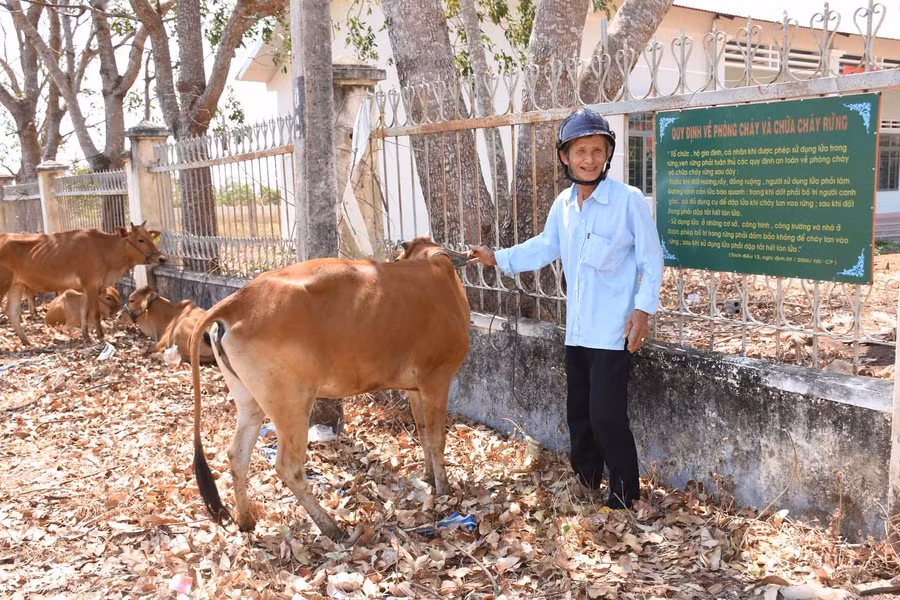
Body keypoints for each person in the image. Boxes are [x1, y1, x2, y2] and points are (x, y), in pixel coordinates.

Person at [467, 107, 663, 509]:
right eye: (580, 151)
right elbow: (543, 247)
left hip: (613, 332)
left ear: (607, 154)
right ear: (565, 157)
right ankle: (587, 479)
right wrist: (496, 257)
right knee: (580, 415)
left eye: (596, 150)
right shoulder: (565, 204)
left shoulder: (628, 202)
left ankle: (623, 494)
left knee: (607, 416)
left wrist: (642, 311)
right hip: (577, 331)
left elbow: (651, 260)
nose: (589, 159)